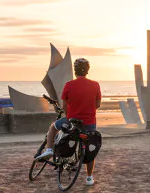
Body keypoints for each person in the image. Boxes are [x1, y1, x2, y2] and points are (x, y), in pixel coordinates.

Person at [37, 57, 102, 185]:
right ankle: (89, 178)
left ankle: (49, 150)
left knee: (53, 127)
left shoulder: (69, 85)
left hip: (72, 120)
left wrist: (69, 115)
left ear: (75, 70)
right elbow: (98, 104)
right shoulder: (95, 85)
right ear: (87, 70)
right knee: (89, 148)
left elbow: (64, 105)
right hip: (89, 122)